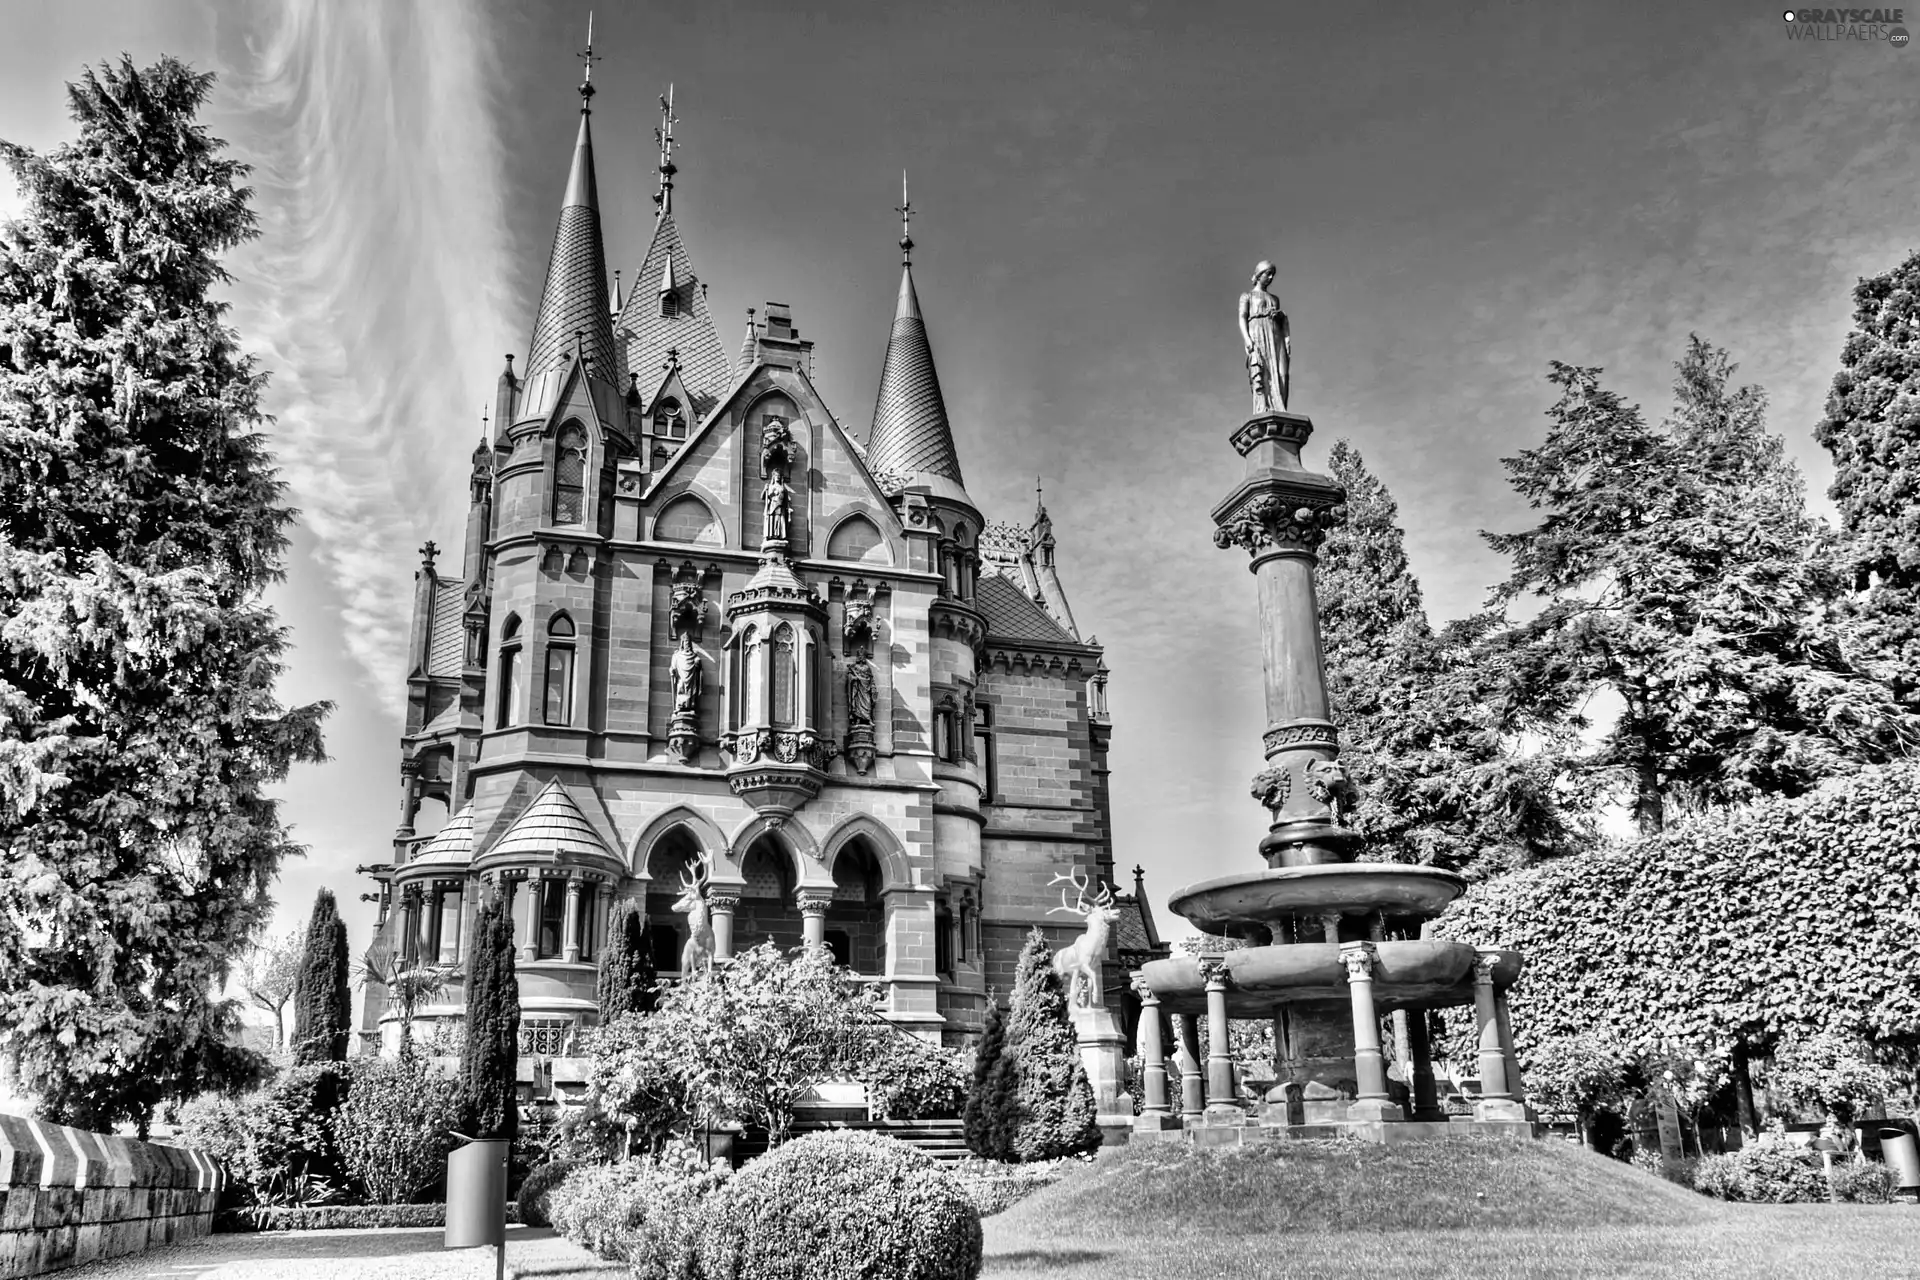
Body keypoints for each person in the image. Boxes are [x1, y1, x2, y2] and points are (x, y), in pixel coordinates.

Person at [1238, 260, 1292, 412]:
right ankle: (1264, 407)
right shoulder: (1247, 296)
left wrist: (1280, 316)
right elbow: (1242, 318)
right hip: (1257, 333)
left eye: (1272, 275)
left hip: (1275, 335)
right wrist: (1248, 340)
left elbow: (1282, 320)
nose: (1270, 278)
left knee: (1282, 372)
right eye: (1268, 274)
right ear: (1259, 275)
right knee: (1262, 371)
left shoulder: (1275, 299)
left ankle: (1280, 408)